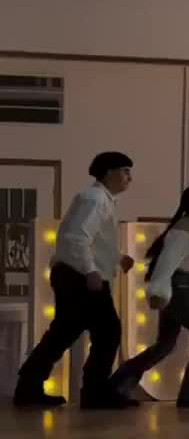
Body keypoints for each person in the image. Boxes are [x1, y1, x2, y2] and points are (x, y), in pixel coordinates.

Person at [14, 150, 136, 409]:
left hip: (75, 273)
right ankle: (94, 392)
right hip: (79, 275)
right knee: (107, 332)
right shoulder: (94, 199)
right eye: (125, 171)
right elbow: (75, 238)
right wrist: (91, 270)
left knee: (65, 332)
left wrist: (117, 257)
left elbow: (93, 240)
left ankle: (29, 386)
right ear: (109, 172)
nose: (129, 177)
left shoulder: (101, 200)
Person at [113, 185, 189, 409]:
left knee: (164, 346)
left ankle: (117, 385)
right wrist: (158, 292)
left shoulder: (188, 231)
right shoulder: (182, 233)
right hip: (179, 293)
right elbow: (167, 265)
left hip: (179, 291)